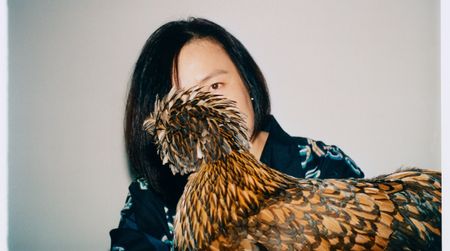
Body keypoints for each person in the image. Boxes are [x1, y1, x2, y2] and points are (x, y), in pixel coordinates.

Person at [110, 17, 364, 251]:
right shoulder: (149, 199)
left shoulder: (321, 166)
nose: (203, 109)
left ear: (248, 84)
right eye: (179, 99)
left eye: (214, 86)